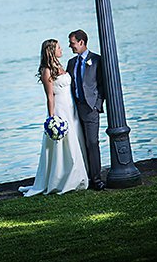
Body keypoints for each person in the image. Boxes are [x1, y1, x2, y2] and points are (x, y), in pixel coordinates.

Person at [19, 39, 89, 196]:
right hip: (60, 110)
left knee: (76, 140)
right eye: (58, 47)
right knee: (63, 145)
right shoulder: (46, 70)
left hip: (71, 109)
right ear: (51, 50)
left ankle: (78, 173)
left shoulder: (60, 65)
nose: (62, 49)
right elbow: (50, 96)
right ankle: (61, 179)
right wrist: (52, 119)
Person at [67, 29, 107, 190]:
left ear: (81, 42)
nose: (71, 47)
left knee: (92, 143)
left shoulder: (97, 60)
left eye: (72, 43)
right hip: (75, 110)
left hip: (91, 109)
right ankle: (84, 177)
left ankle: (96, 179)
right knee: (80, 144)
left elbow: (103, 84)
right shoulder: (71, 62)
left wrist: (97, 104)